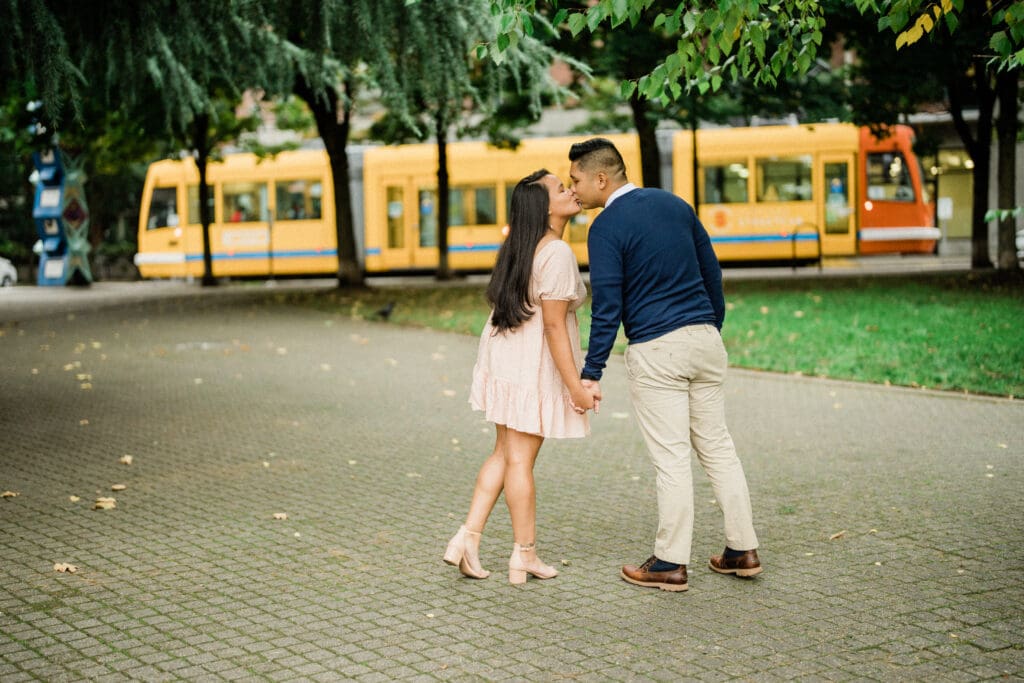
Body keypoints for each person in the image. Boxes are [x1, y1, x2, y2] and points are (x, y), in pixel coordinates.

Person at [568, 138, 761, 593]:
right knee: (718, 447)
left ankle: (670, 563)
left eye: (576, 180)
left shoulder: (605, 226)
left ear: (601, 178)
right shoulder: (675, 205)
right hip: (705, 341)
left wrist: (591, 371)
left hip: (658, 350)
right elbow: (711, 274)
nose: (573, 189)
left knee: (671, 458)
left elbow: (608, 305)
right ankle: (742, 550)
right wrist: (709, 326)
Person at [444, 169, 598, 585]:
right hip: (529, 364)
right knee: (519, 460)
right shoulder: (556, 253)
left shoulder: (520, 248)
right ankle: (524, 554)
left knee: (503, 453)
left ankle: (466, 538)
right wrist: (576, 387)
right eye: (561, 188)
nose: (571, 190)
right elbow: (553, 326)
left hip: (504, 357)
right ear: (543, 207)